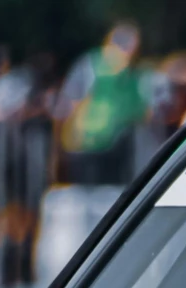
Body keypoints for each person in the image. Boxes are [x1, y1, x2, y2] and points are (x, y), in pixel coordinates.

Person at [58, 23, 148, 185]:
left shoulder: (90, 62)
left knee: (89, 189)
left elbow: (71, 100)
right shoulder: (129, 70)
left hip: (89, 139)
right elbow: (140, 109)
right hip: (108, 139)